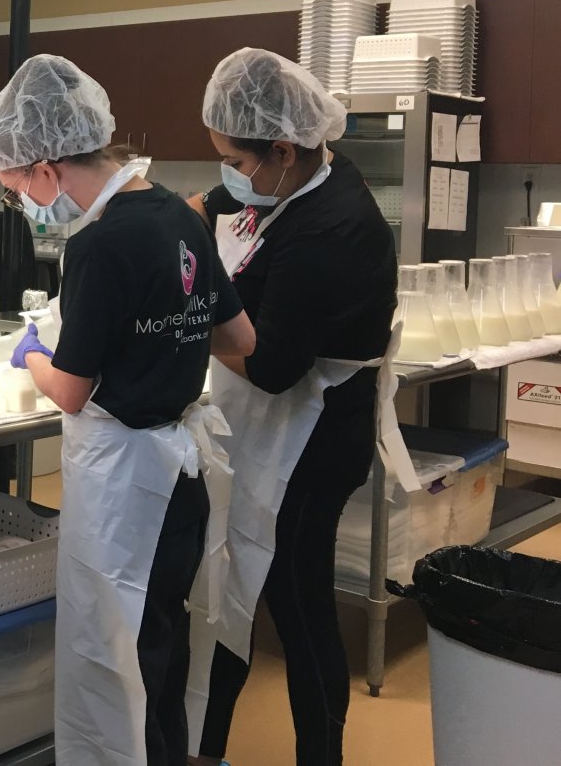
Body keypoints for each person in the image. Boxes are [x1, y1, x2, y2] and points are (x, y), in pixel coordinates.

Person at [0, 55, 255, 766]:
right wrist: (167, 341)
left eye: (17, 191)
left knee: (113, 661)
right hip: (183, 481)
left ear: (46, 167)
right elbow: (240, 337)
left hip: (126, 491)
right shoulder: (181, 214)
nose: (25, 204)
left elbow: (72, 390)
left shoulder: (99, 245)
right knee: (160, 648)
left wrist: (32, 354)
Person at [185, 48, 399, 766]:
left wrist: (184, 320)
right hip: (274, 426)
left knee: (299, 603)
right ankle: (205, 745)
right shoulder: (290, 181)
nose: (230, 177)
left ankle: (322, 754)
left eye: (237, 163)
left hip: (314, 434)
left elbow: (272, 365)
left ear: (282, 148)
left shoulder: (329, 227)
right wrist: (182, 218)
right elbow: (218, 202)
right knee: (235, 587)